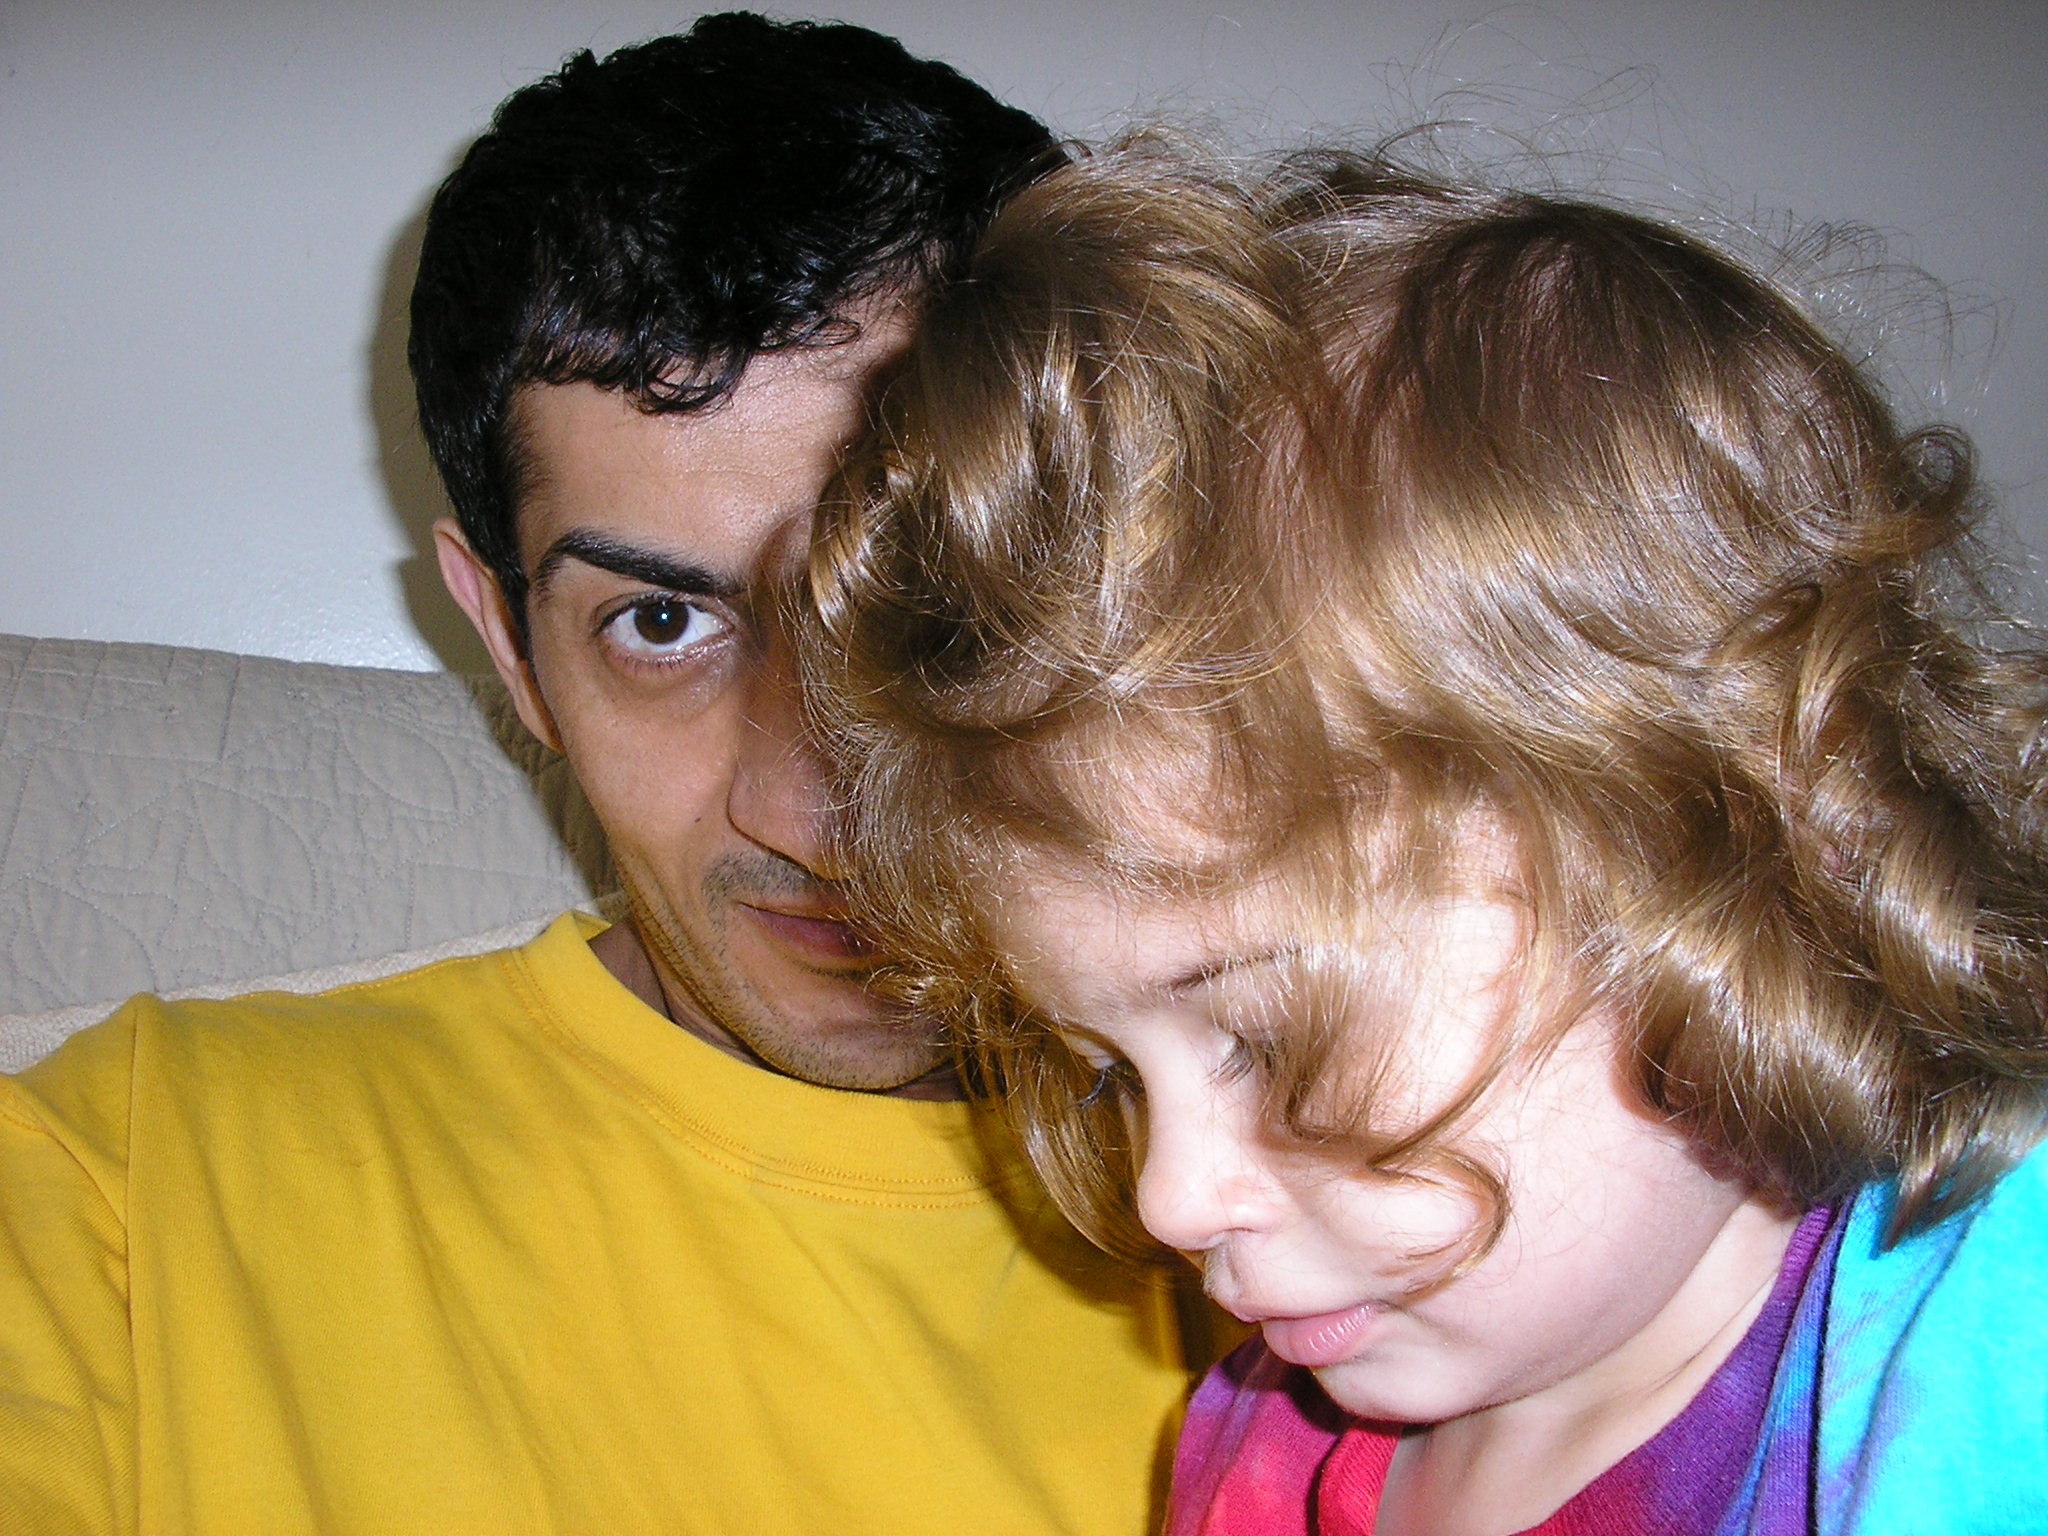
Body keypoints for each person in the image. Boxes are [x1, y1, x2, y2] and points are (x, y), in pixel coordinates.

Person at [0, 19, 1200, 1533]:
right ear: (510, 647)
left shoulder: (1335, 1234)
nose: (814, 809)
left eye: (921, 601)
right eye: (661, 623)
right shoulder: (122, 1184)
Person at [806, 142, 2048, 1535]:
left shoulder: (1972, 1372)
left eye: (1270, 1039)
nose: (1172, 1199)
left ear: (1759, 848)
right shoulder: (1259, 1444)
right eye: (1111, 1078)